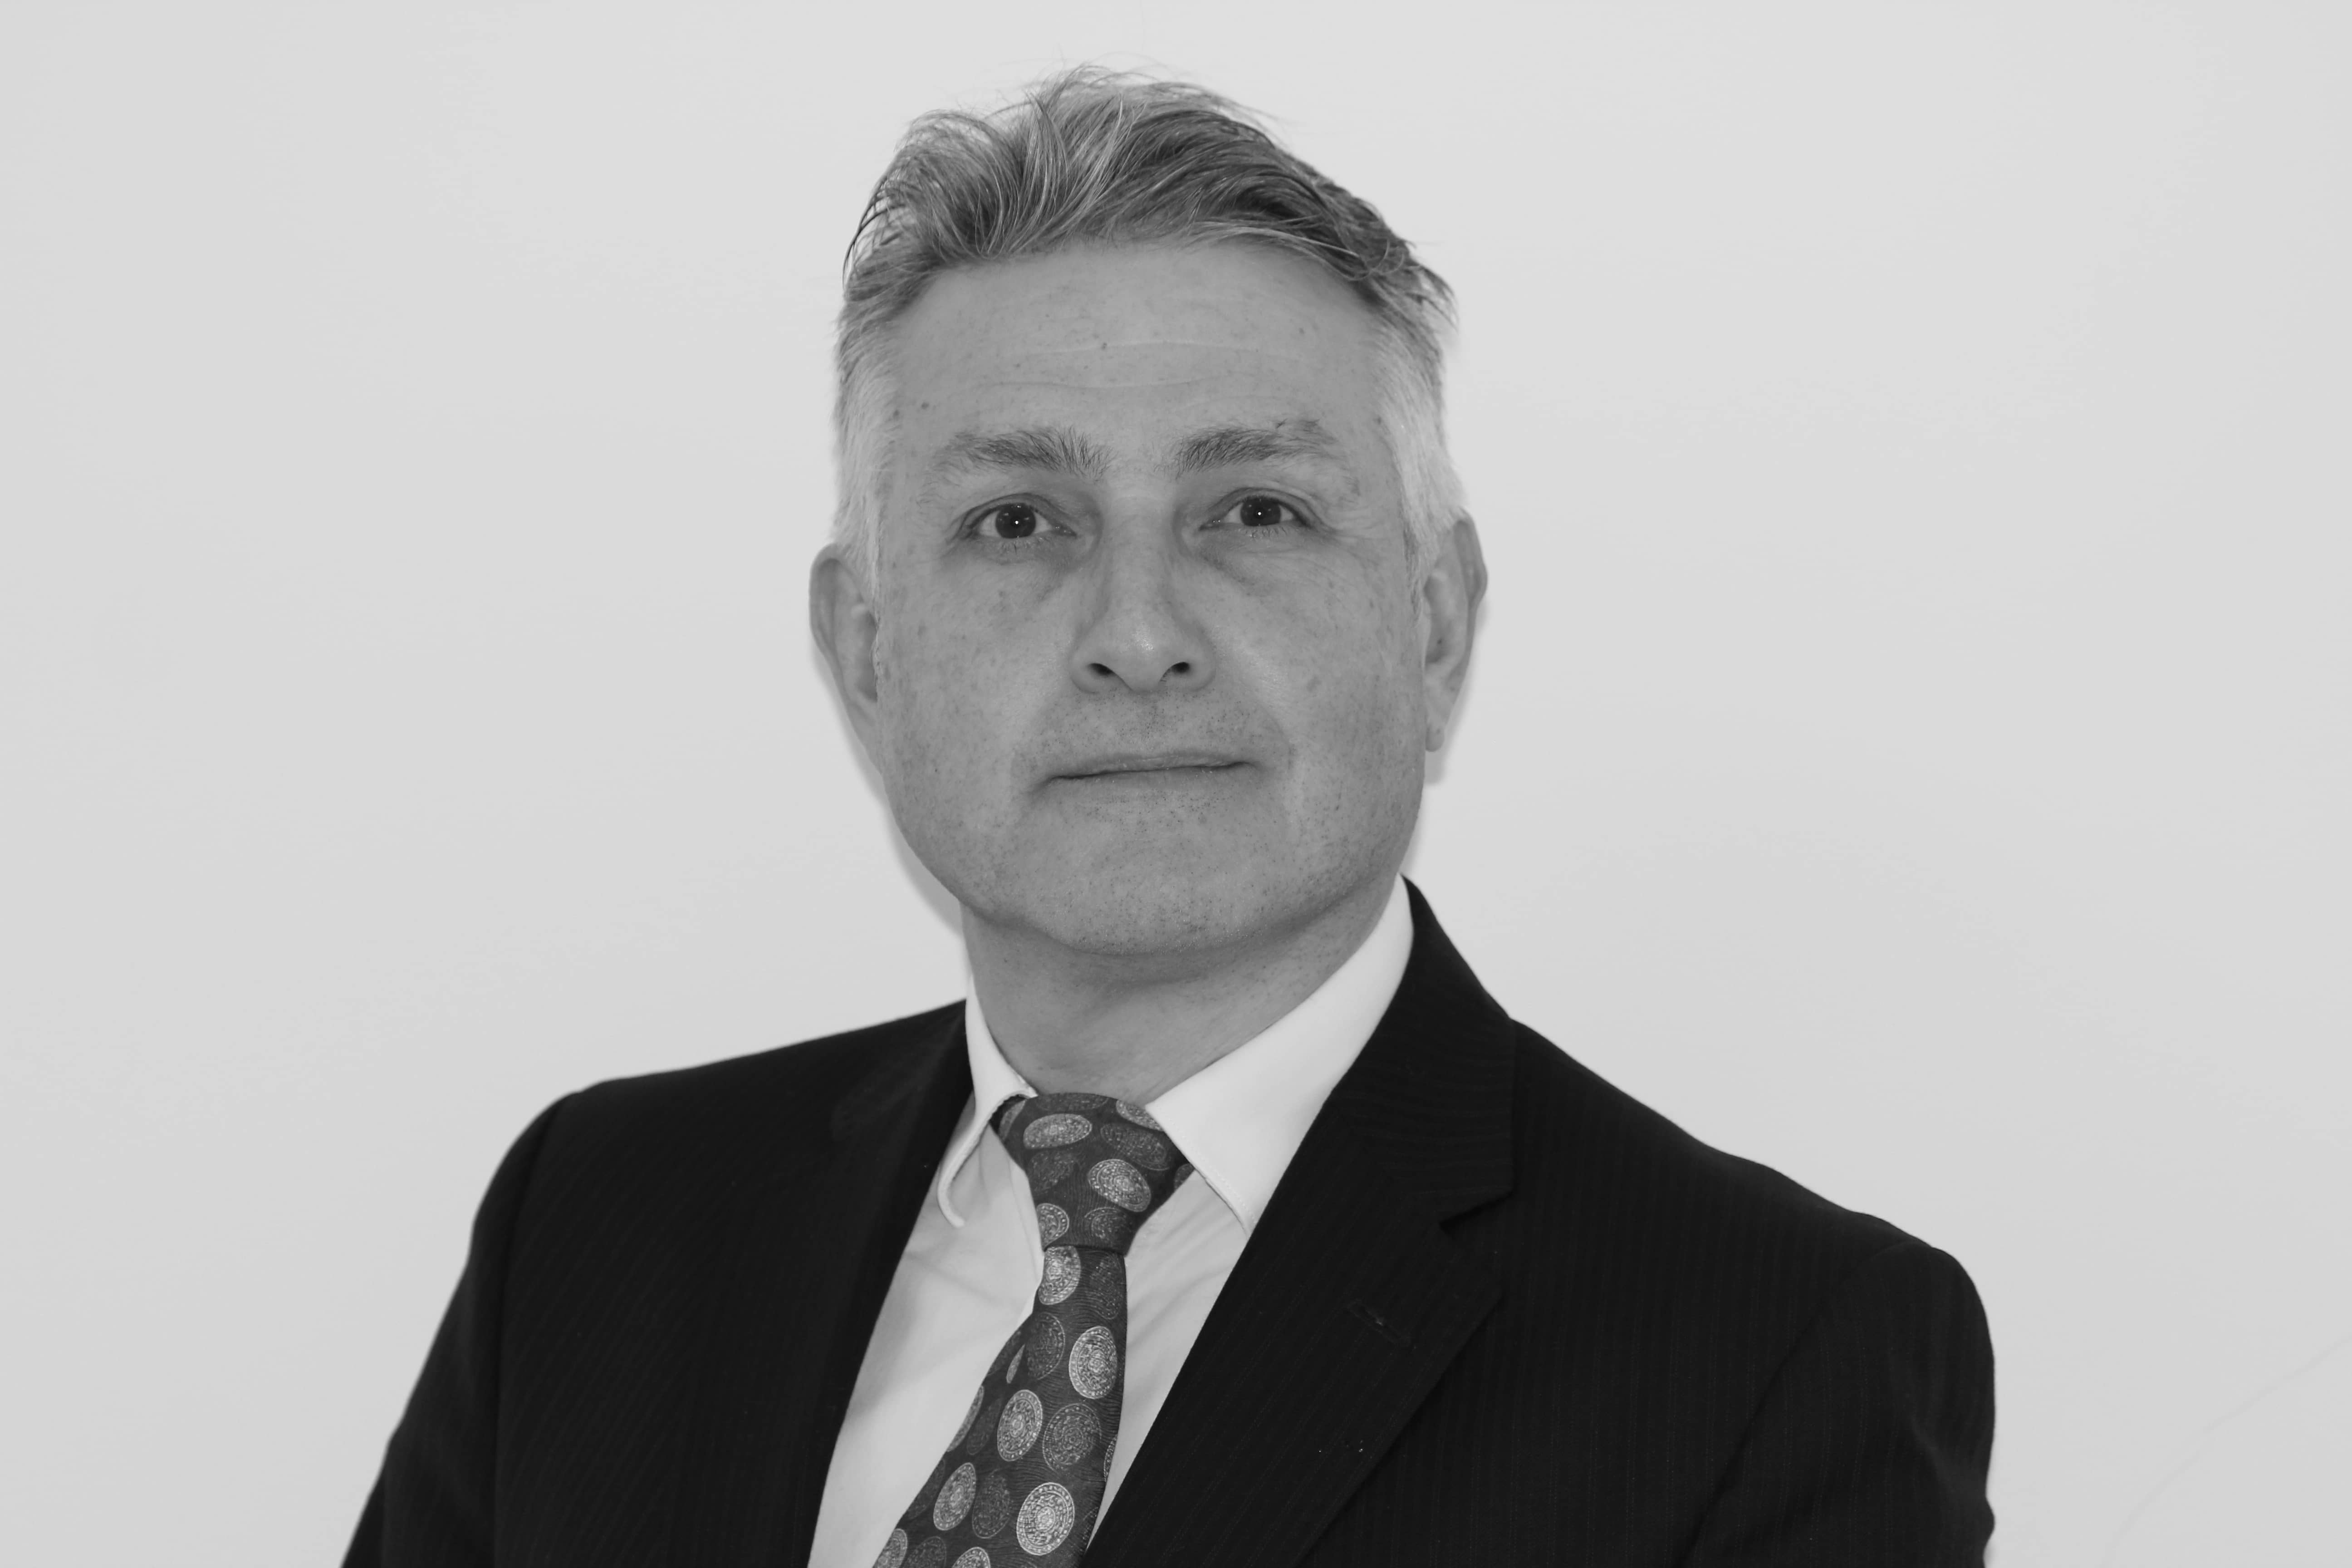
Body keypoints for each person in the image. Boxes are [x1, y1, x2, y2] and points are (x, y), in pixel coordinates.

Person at [344, 69, 1995, 1568]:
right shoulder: (602, 1219)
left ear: (1434, 626)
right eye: (1017, 521)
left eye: (1255, 510)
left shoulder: (1780, 1358)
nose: (1139, 634)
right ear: (865, 652)